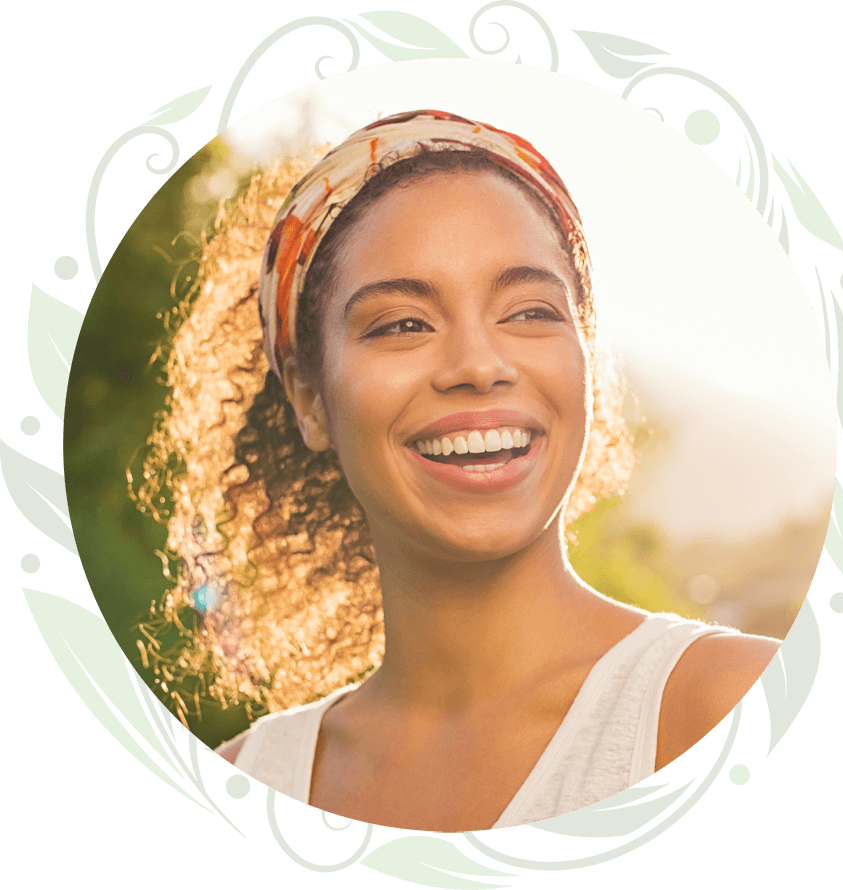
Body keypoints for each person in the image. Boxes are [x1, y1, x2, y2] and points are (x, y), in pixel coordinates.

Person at [136, 110, 781, 832]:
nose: (479, 364)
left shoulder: (727, 701)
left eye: (530, 311)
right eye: (403, 324)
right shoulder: (248, 770)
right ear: (309, 398)